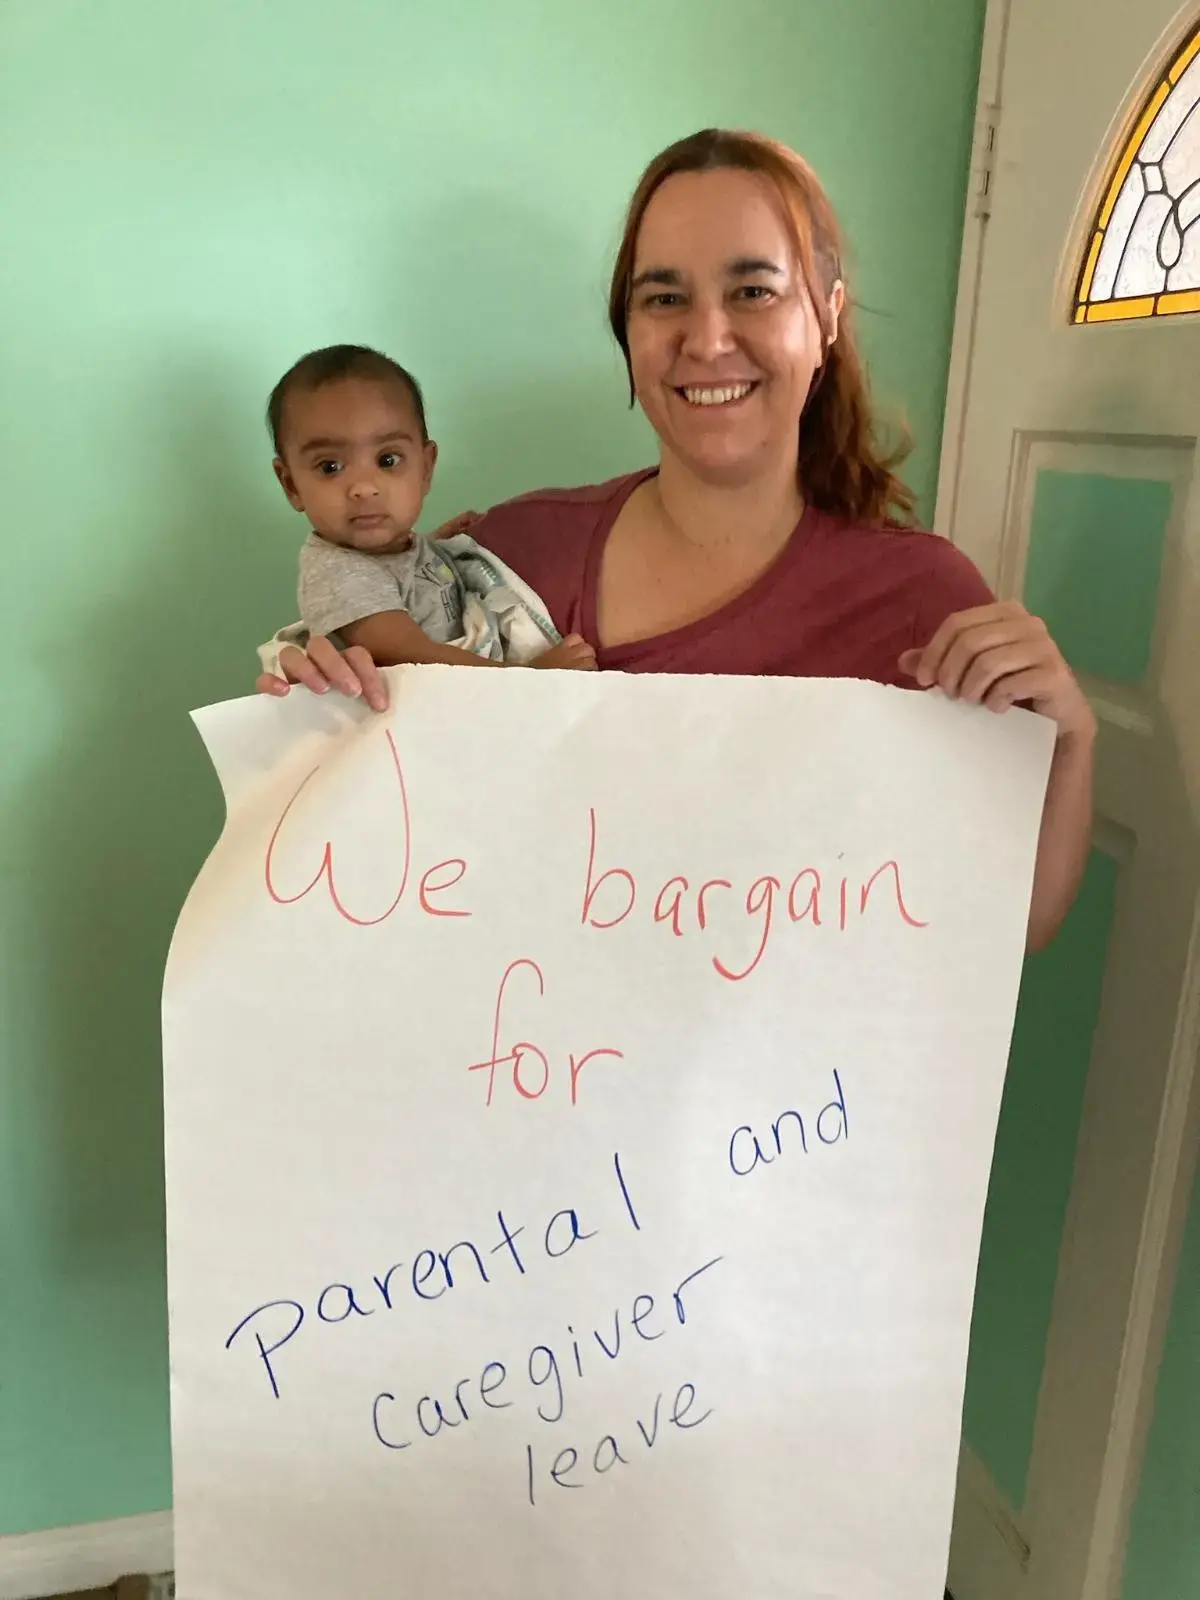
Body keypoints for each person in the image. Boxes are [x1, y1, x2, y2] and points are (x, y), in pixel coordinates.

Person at [256, 127, 1096, 951]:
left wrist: (1066, 744)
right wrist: (323, 714)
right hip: (519, 1067)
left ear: (827, 317)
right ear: (629, 331)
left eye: (754, 290)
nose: (706, 339)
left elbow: (1011, 930)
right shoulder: (508, 560)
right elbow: (387, 858)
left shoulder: (923, 601)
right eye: (664, 298)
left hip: (803, 1091)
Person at [266, 343, 597, 671]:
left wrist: (436, 550)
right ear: (291, 485)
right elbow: (412, 654)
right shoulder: (337, 573)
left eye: (387, 460)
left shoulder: (396, 550)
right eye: (330, 467)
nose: (364, 488)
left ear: (425, 469)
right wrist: (531, 676)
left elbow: (403, 586)